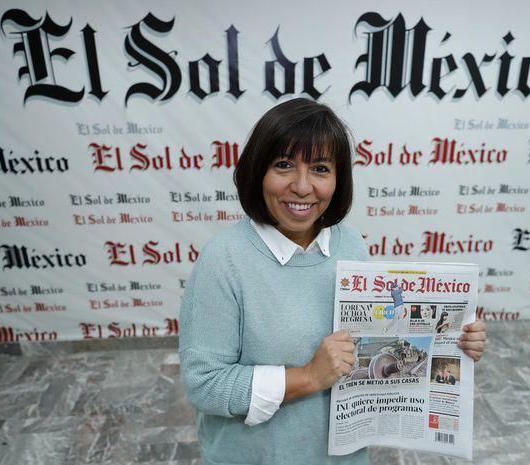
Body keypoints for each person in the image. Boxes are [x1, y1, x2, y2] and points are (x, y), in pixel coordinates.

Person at [179, 98, 487, 465]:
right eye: (284, 165)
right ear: (257, 172)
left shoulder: (352, 244)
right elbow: (205, 386)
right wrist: (310, 376)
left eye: (321, 168)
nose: (302, 186)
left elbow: (384, 343)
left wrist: (452, 343)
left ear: (338, 179)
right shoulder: (224, 259)